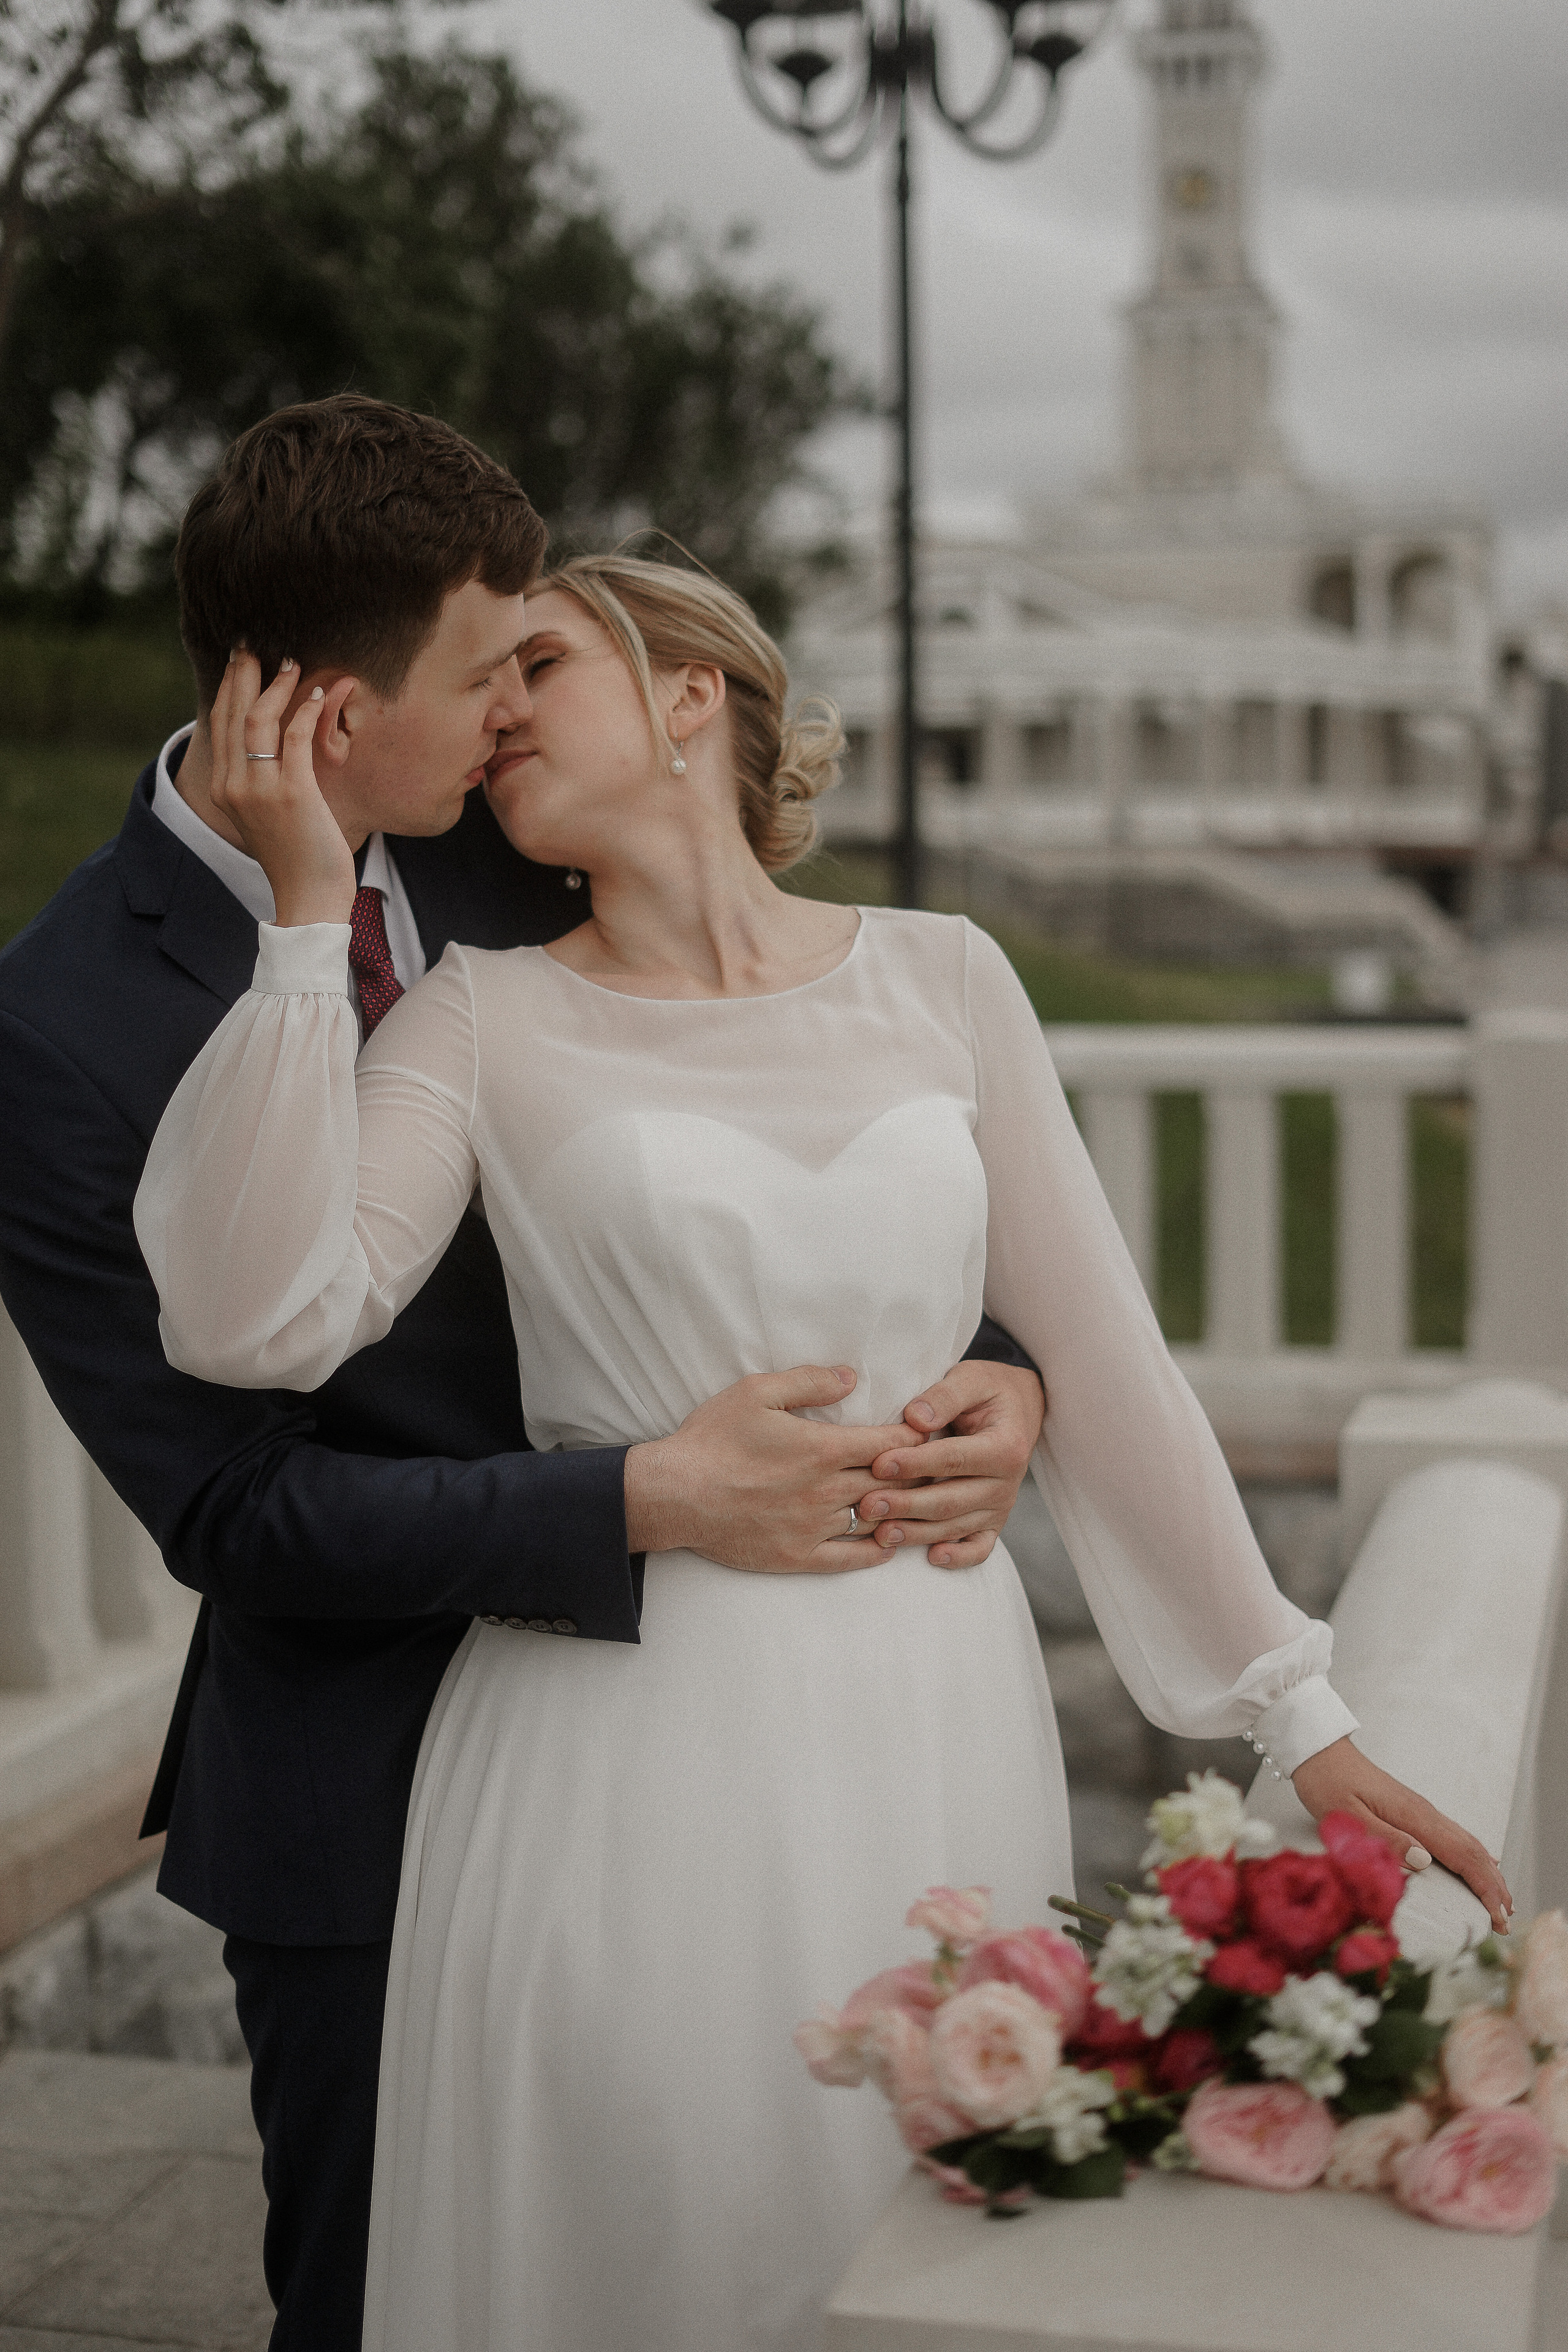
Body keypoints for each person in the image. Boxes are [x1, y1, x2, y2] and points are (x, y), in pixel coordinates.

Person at [134, 549, 1510, 2351]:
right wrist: (307, 924)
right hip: (617, 1743)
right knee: (657, 2216)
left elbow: (1101, 1355)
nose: (497, 711)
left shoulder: (948, 977)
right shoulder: (482, 1016)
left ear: (690, 694)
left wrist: (1298, 1715)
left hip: (930, 1704)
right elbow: (256, 1322)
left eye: (541, 661)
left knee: (919, 2203)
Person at [0, 397, 1049, 2352]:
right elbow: (232, 1500)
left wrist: (1003, 1378)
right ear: (321, 710)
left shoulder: (516, 854)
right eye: (490, 670)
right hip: (363, 1793)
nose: (516, 713)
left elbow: (786, 1144)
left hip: (735, 1748)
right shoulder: (57, 1029)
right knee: (403, 2296)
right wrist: (643, 1500)